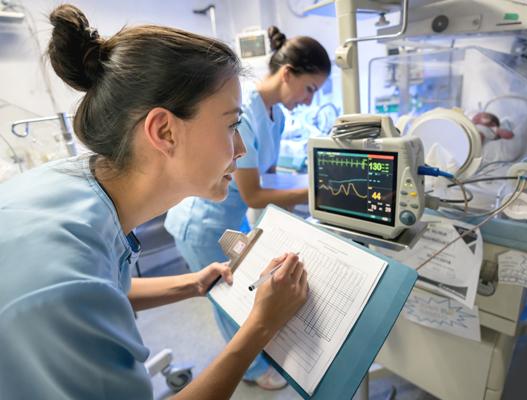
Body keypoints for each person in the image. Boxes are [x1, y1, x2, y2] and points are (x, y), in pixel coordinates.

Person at [0, 5, 308, 400]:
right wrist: (260, 327)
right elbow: (73, 289)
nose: (242, 147)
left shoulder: (77, 187)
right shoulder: (62, 278)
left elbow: (101, 287)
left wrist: (190, 283)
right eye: (231, 125)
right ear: (164, 131)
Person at [164, 26, 330, 389]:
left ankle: (255, 347)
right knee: (227, 296)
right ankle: (253, 371)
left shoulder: (278, 116)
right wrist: (318, 194)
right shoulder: (247, 112)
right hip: (203, 223)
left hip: (230, 218)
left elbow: (266, 181)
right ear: (287, 74)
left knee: (246, 288)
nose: (309, 100)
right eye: (309, 89)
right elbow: (255, 194)